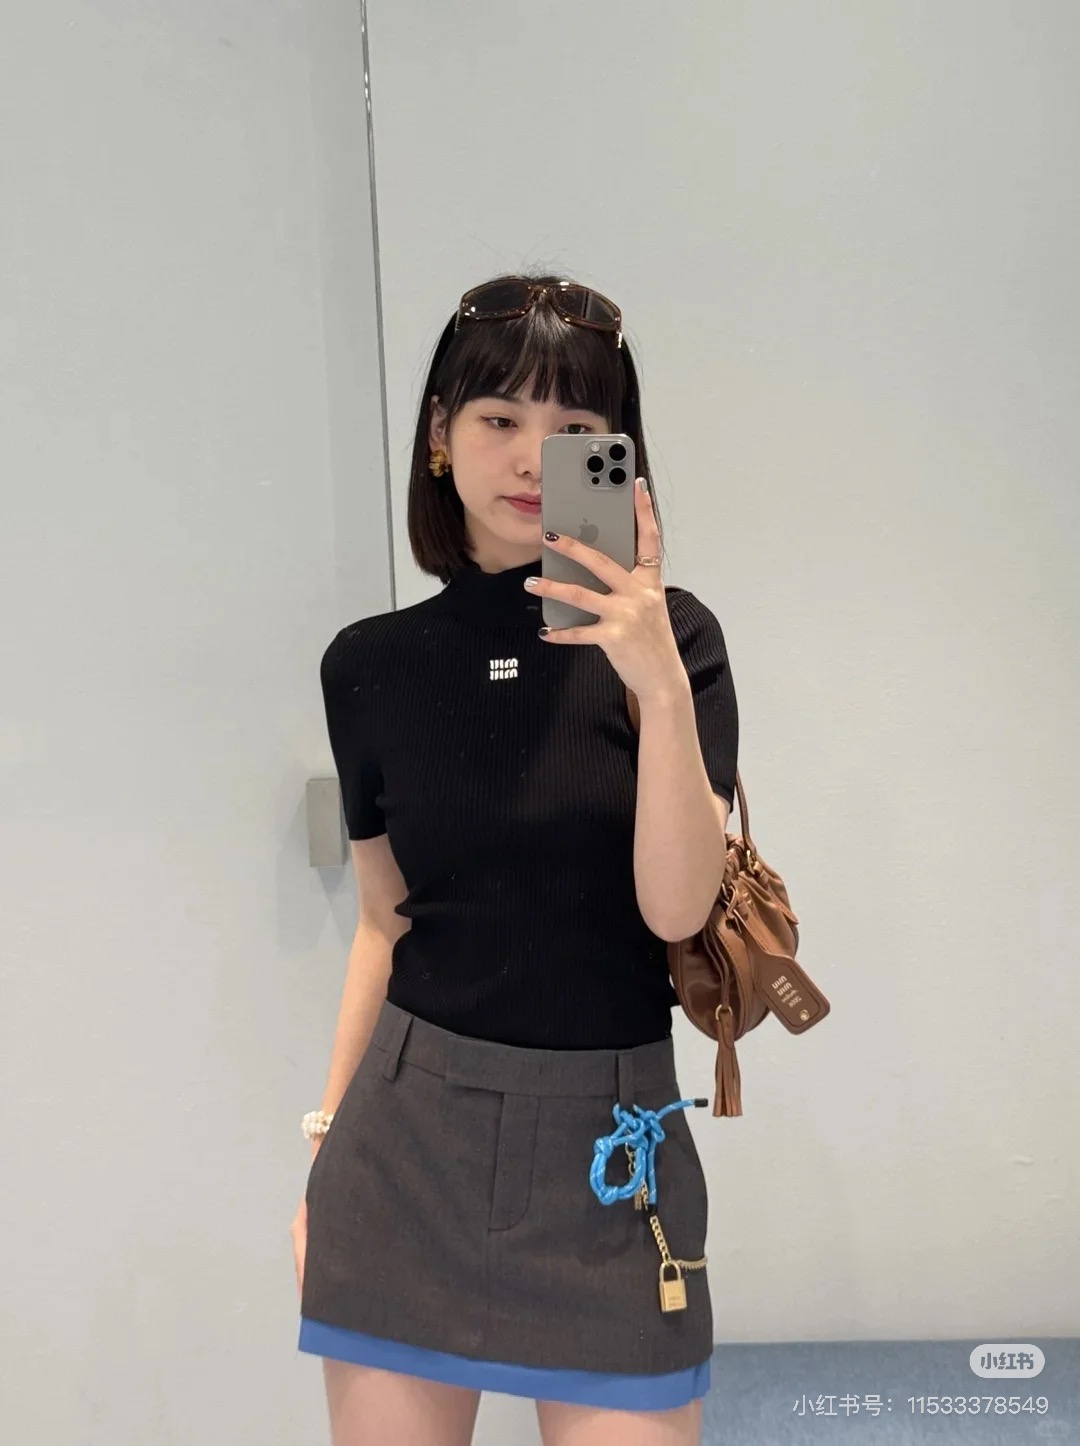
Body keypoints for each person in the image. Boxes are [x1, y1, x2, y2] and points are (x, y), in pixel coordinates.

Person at [291, 273, 739, 1446]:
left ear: (620, 456)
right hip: (403, 1158)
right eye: (499, 418)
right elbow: (384, 923)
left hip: (611, 1157)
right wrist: (325, 1148)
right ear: (441, 434)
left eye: (575, 426)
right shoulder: (369, 666)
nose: (534, 456)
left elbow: (676, 907)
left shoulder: (678, 641)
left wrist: (653, 678)